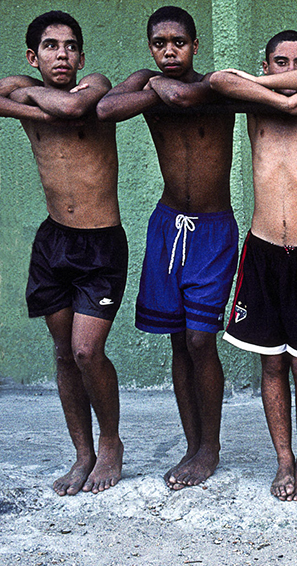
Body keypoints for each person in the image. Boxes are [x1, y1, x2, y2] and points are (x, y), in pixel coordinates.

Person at [97, 6, 237, 490]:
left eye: (179, 41)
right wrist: (149, 81)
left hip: (214, 230)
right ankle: (191, 443)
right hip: (167, 227)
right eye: (159, 43)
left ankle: (210, 448)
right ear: (150, 46)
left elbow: (183, 95)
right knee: (178, 339)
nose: (169, 50)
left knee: (201, 338)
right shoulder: (147, 85)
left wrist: (159, 86)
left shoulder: (217, 85)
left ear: (196, 45)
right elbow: (104, 109)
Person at [209, 31, 297, 501]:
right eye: (279, 62)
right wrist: (278, 98)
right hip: (263, 249)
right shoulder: (255, 104)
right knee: (271, 367)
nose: (290, 71)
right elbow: (219, 79)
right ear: (264, 64)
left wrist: (290, 94)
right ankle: (283, 462)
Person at [0, 11, 125, 496]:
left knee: (85, 350)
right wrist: (36, 97)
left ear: (82, 54)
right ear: (34, 56)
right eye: (51, 47)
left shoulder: (95, 84)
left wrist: (29, 101)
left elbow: (75, 111)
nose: (62, 55)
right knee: (63, 353)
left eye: (71, 46)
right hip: (54, 241)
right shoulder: (21, 84)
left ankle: (111, 443)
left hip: (100, 243)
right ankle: (83, 452)